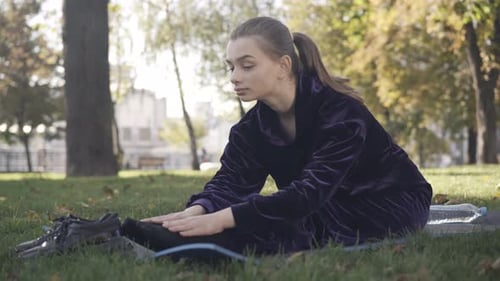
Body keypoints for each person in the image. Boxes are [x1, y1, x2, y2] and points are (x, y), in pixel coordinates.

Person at [121, 16, 432, 255]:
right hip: (318, 202)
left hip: (390, 200)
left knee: (301, 221)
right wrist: (194, 212)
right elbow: (231, 182)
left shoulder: (341, 113)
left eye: (247, 65)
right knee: (277, 213)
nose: (234, 77)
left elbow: (311, 191)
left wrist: (219, 220)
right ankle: (183, 235)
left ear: (283, 65)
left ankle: (201, 242)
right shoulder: (249, 130)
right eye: (231, 67)